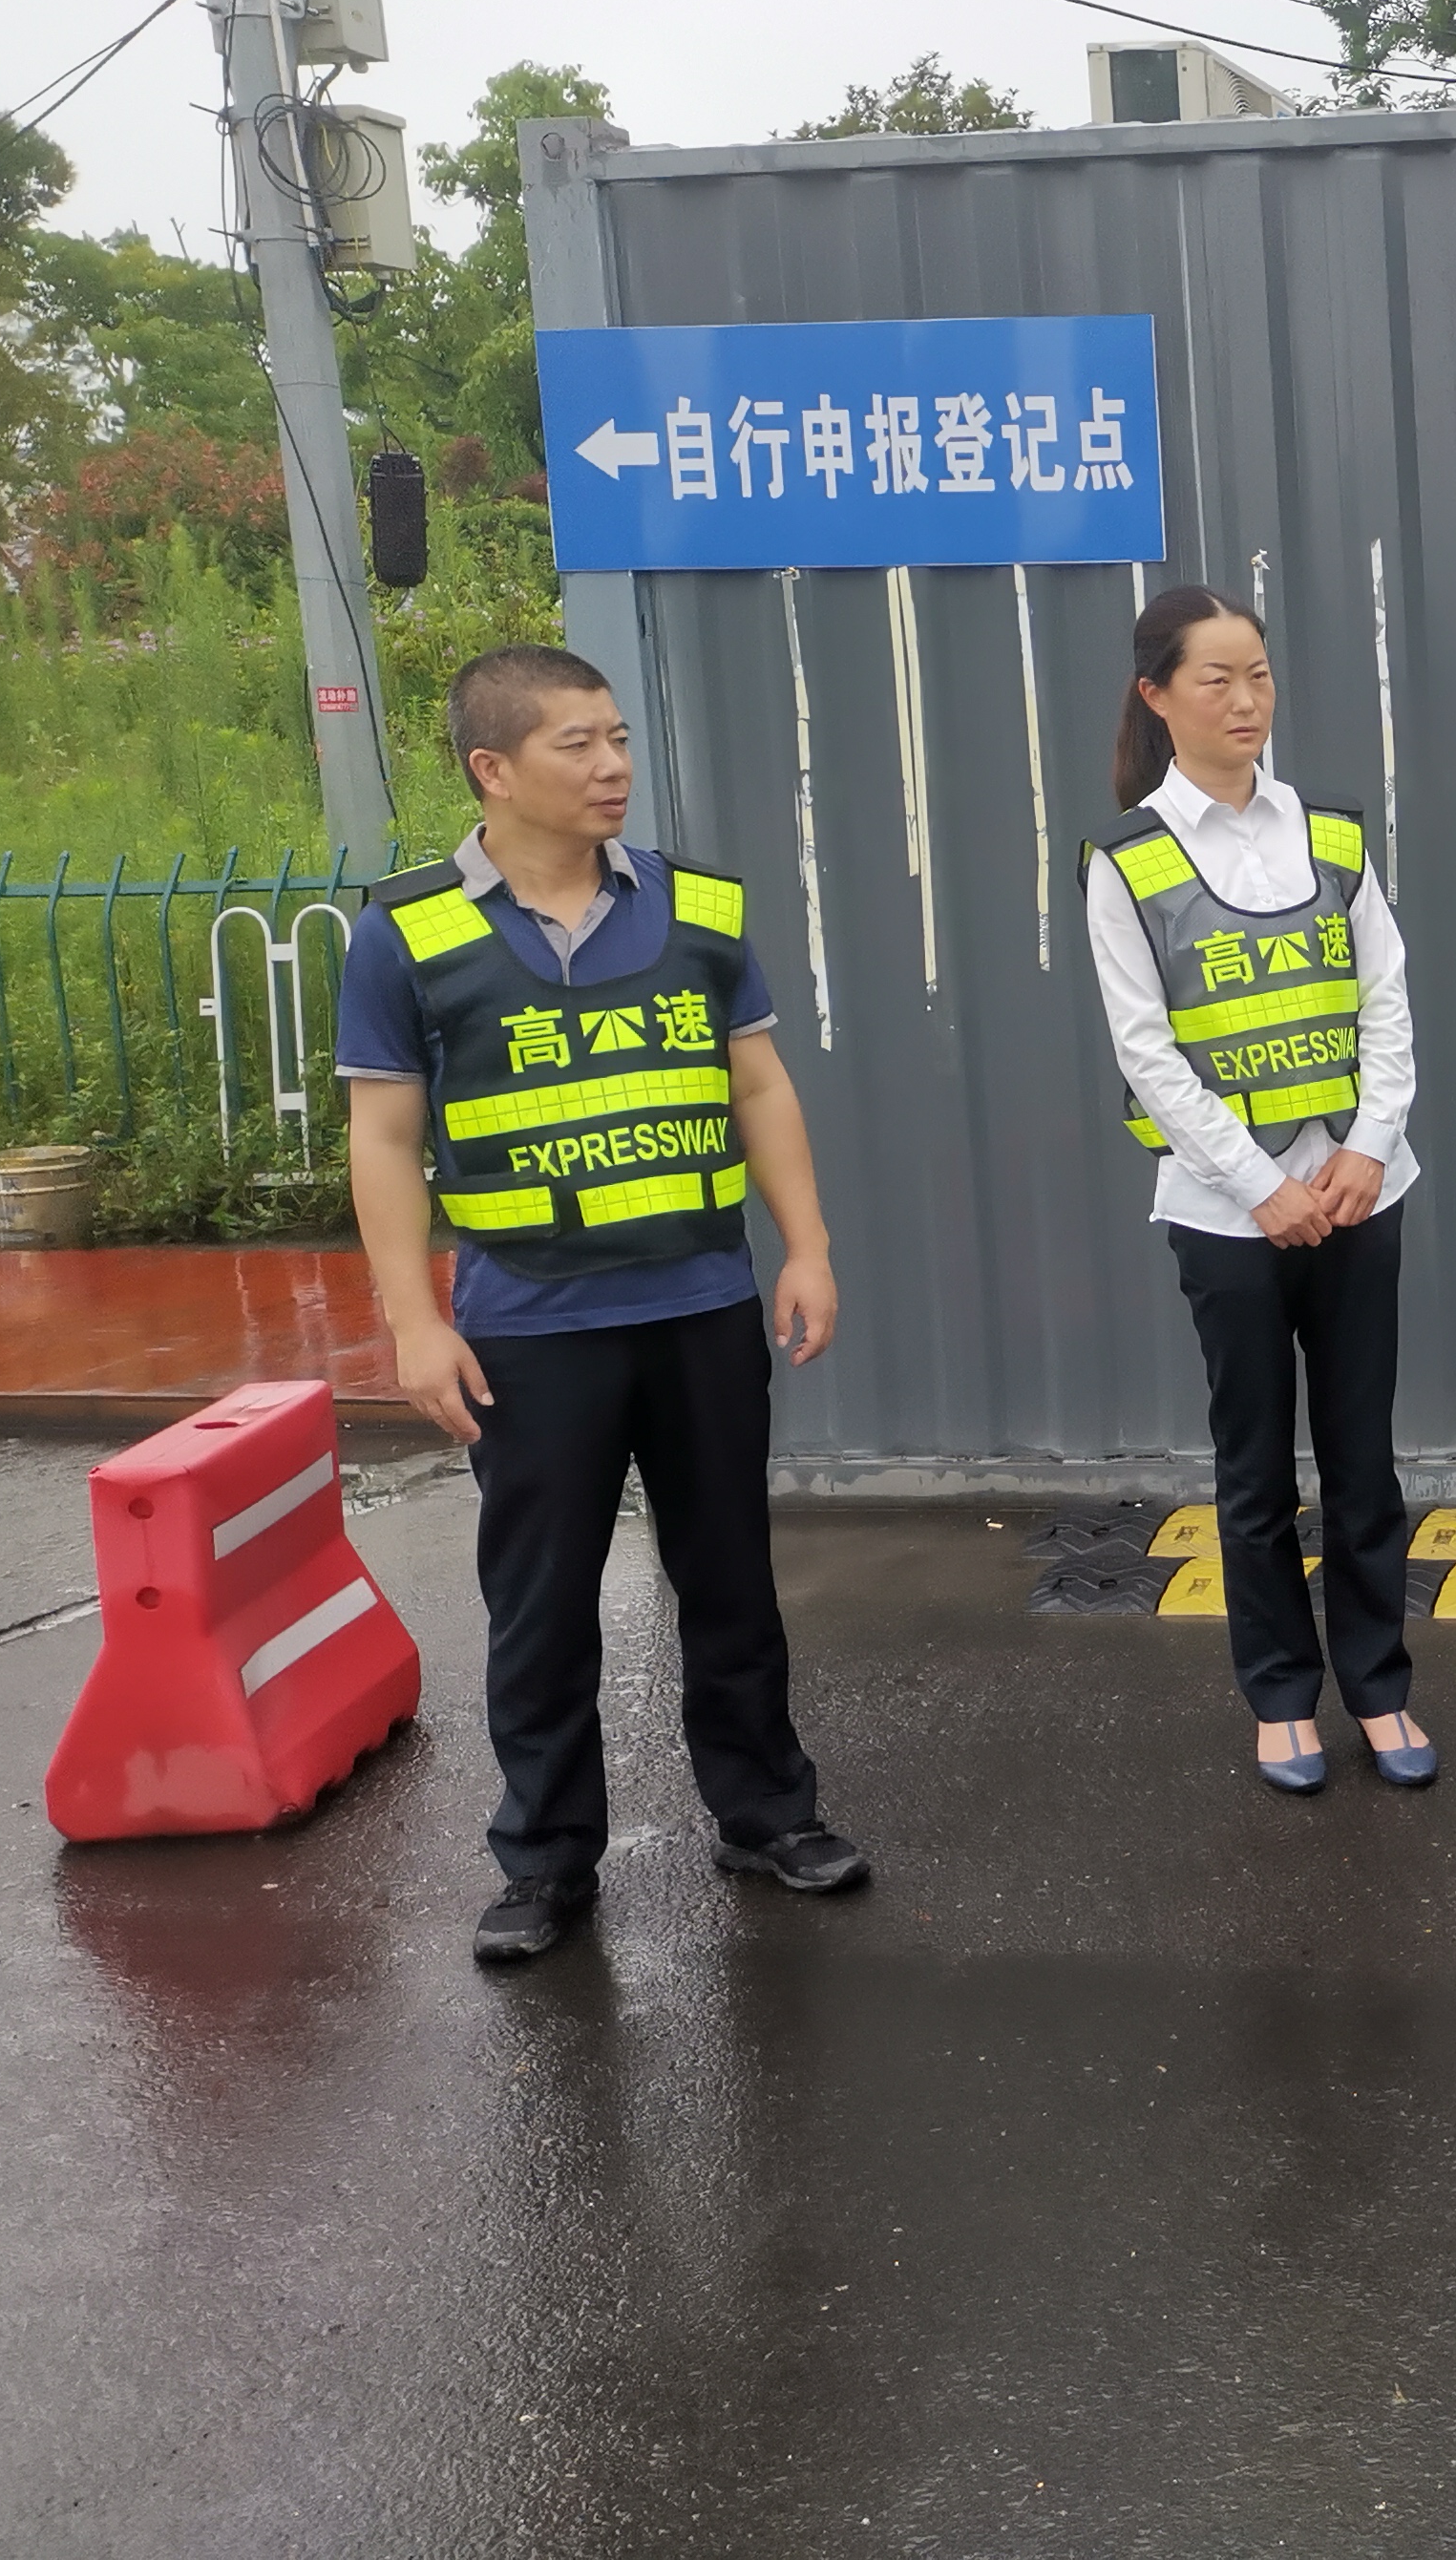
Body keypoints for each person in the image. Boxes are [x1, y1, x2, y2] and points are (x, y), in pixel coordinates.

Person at [339, 645, 867, 1969]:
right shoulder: (408, 936)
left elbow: (759, 1085)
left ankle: (767, 1812)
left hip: (700, 1303)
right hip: (528, 1325)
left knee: (730, 1577)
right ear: (493, 768)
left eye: (618, 737)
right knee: (541, 1602)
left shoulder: (698, 908)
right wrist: (414, 1322)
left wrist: (806, 1247)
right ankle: (544, 1857)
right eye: (575, 744)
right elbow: (383, 1140)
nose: (612, 765)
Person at [1086, 584, 1431, 1797]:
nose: (1245, 701)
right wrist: (1254, 1186)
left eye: (1260, 675)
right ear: (1156, 696)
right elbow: (1146, 1052)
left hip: (1357, 1195)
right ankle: (1281, 1699)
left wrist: (1368, 1147)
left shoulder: (1330, 833)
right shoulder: (1127, 860)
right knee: (1253, 1473)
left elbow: (1384, 998)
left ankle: (1378, 1688)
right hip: (1226, 1217)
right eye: (1216, 679)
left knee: (1363, 1462)